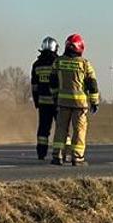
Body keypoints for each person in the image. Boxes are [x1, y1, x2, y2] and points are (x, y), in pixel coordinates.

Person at [53, 33, 99, 166]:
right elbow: (92, 84)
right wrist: (94, 102)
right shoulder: (85, 64)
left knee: (61, 129)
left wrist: (55, 96)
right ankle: (77, 158)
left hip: (62, 103)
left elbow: (53, 81)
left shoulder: (58, 62)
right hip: (80, 104)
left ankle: (57, 156)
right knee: (79, 130)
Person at [30, 37, 61, 160]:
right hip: (58, 102)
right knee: (61, 128)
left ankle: (41, 153)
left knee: (43, 130)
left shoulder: (36, 65)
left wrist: (36, 102)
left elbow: (34, 87)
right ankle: (63, 153)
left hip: (43, 103)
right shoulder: (58, 62)